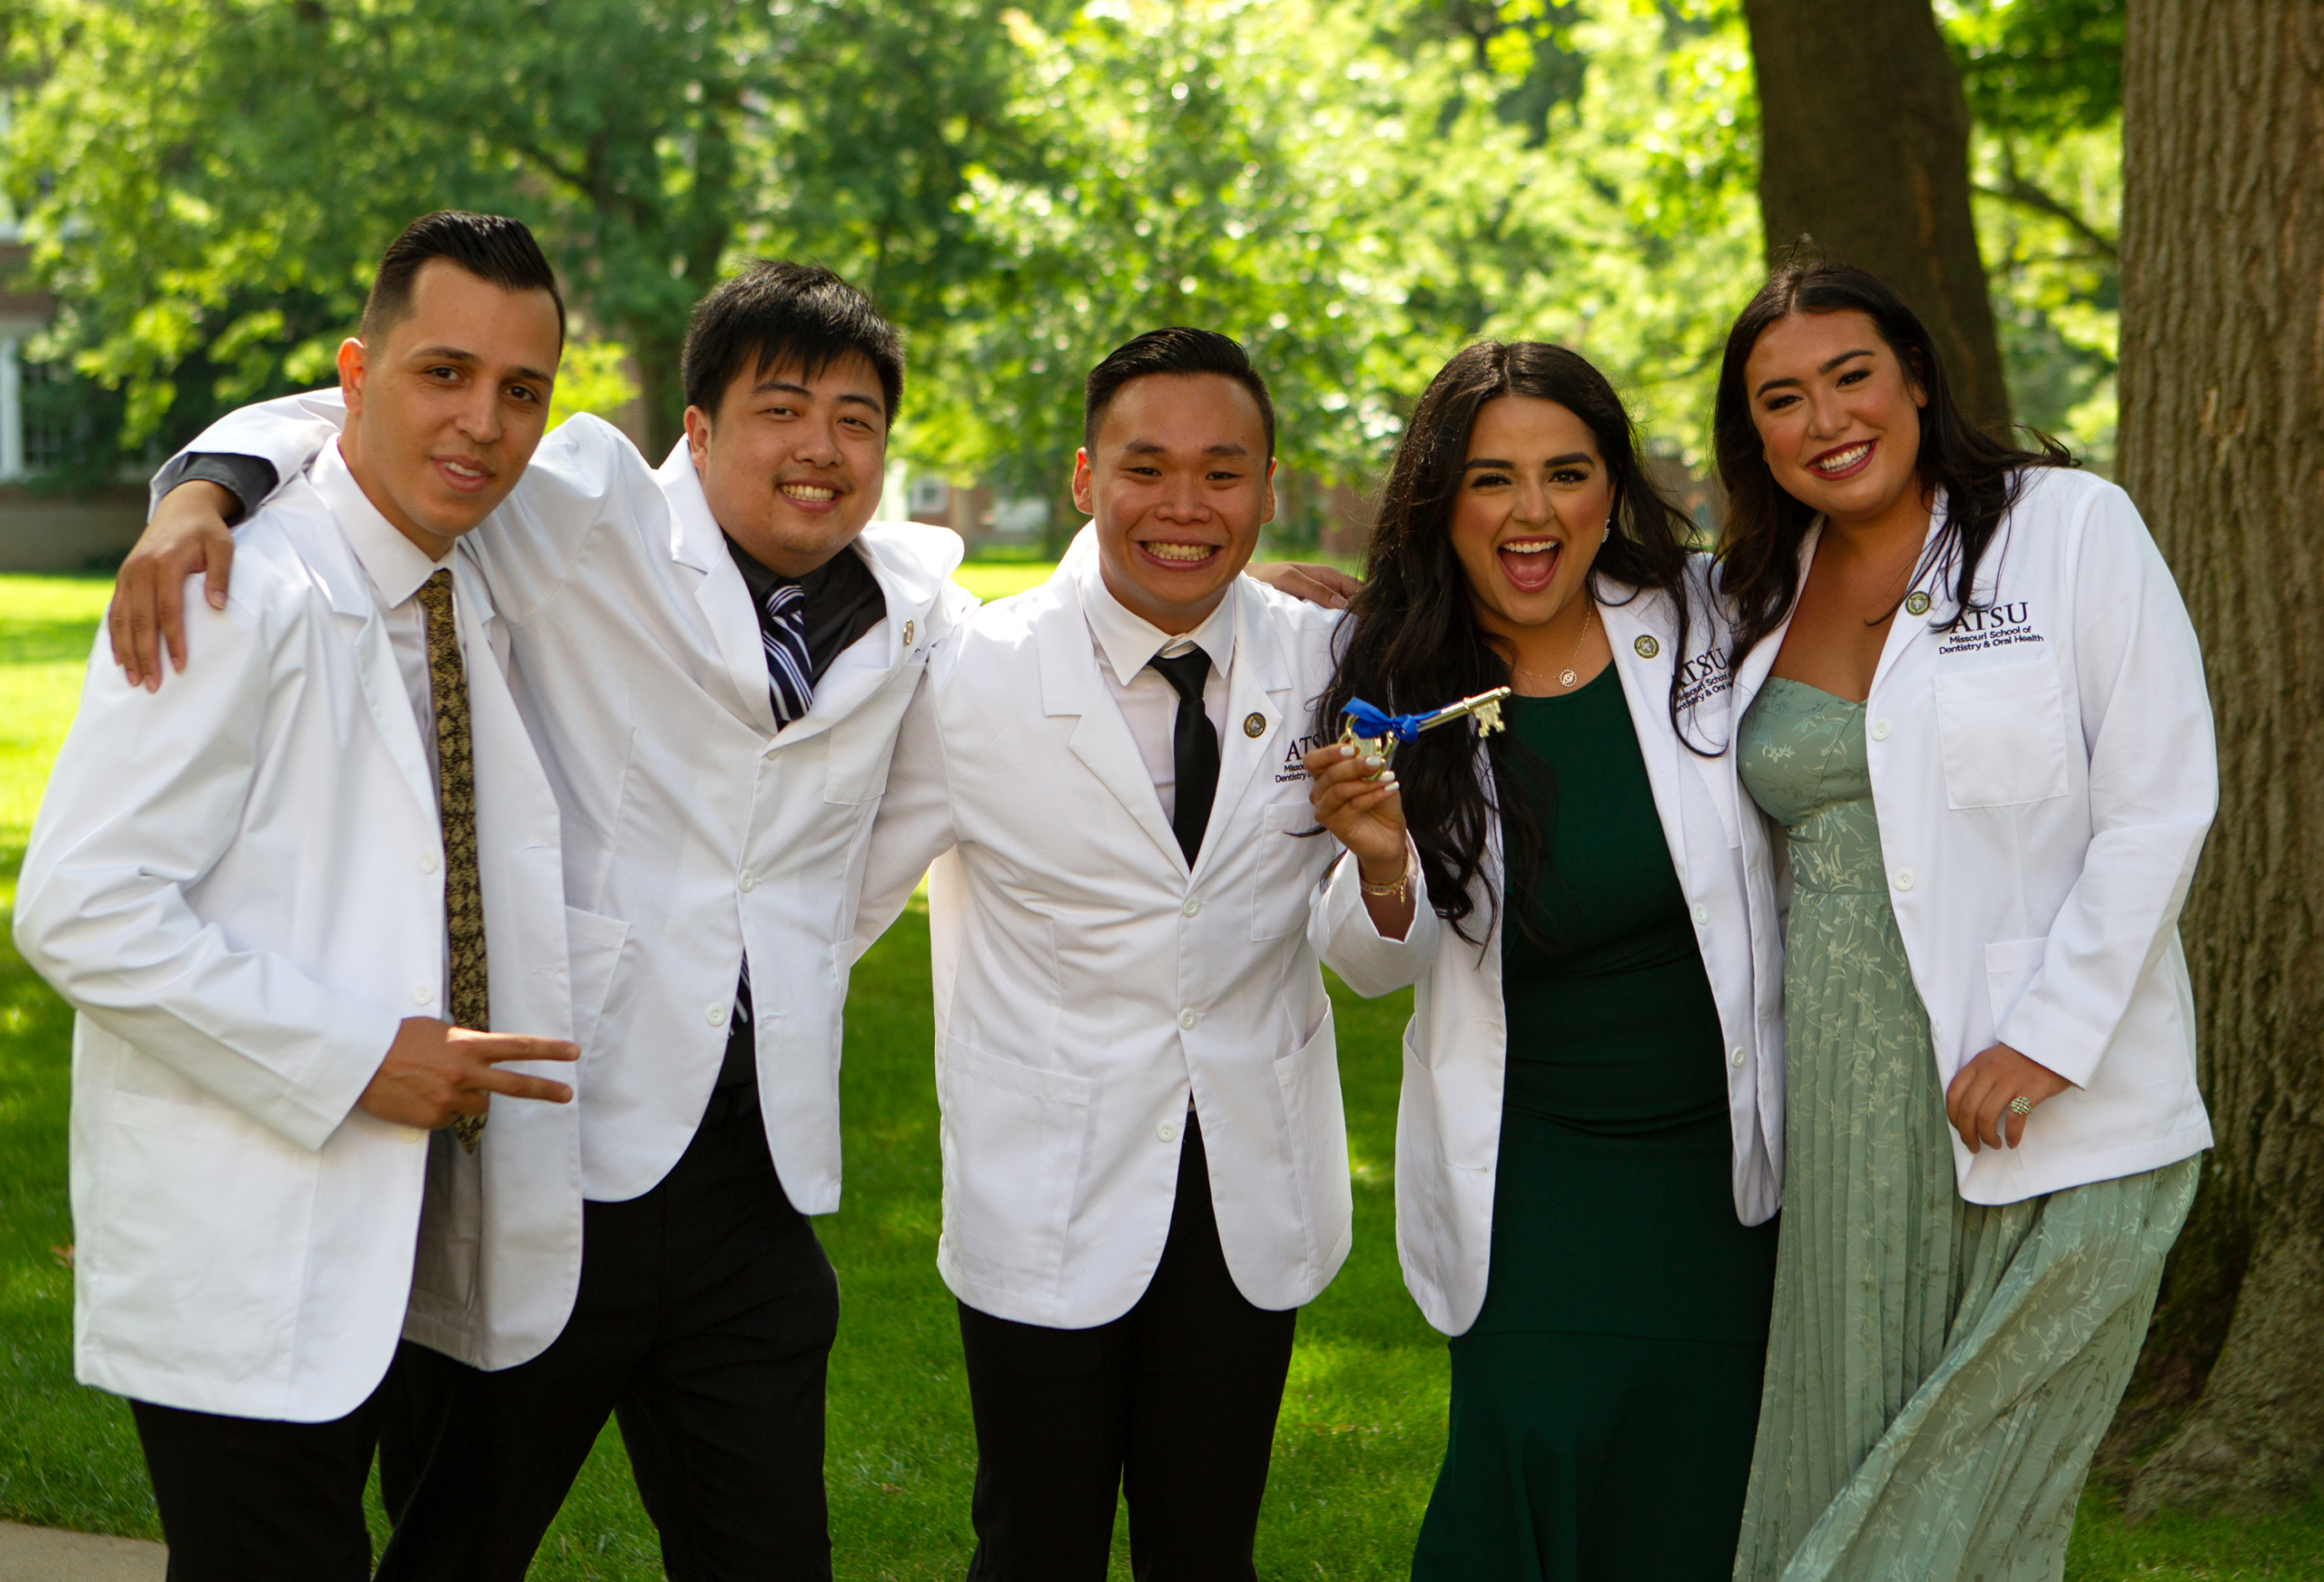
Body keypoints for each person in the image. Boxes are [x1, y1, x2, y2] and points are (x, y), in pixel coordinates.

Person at [113, 270, 1358, 1577]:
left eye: (856, 419)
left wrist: (1217, 571)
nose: (819, 448)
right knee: (455, 1543)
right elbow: (383, 418)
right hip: (553, 1143)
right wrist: (204, 489)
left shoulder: (915, 606)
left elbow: (1084, 627)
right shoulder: (582, 515)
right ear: (696, 429)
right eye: (780, 410)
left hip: (755, 1182)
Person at [13, 211, 586, 1581]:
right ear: (354, 374)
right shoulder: (224, 590)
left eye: (522, 391)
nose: (484, 424)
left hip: (409, 1241)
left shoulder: (469, 580)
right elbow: (79, 906)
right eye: (441, 374)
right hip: (246, 1237)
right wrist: (357, 1057)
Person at [844, 327, 1433, 1582]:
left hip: (1248, 1188)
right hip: (1042, 1182)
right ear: (1082, 479)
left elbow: (1376, 961)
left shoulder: (1332, 663)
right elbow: (836, 899)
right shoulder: (975, 676)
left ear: (1270, 486)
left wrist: (1385, 865)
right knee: (1033, 1543)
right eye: (1144, 468)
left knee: (1207, 1546)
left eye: (1223, 474)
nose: (1184, 507)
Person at [1715, 257, 2215, 1581]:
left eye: (1851, 376)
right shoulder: (1751, 593)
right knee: (1847, 1440)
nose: (1825, 420)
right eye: (1782, 398)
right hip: (1841, 1115)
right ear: (1752, 434)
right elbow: (1567, 635)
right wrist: (1332, 599)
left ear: (1918, 379)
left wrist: (2050, 1037)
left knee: (1974, 1472)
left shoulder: (2068, 527)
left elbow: (2161, 798)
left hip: (2045, 1092)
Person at [1305, 340, 1786, 1580]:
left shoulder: (1706, 623)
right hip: (1532, 1174)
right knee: (1526, 1455)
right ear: (1441, 502)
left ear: (1609, 489)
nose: (1531, 512)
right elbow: (1366, 965)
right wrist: (1380, 865)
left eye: (1565, 474)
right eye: (1490, 479)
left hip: (1717, 1173)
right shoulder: (1395, 683)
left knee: (1695, 1491)